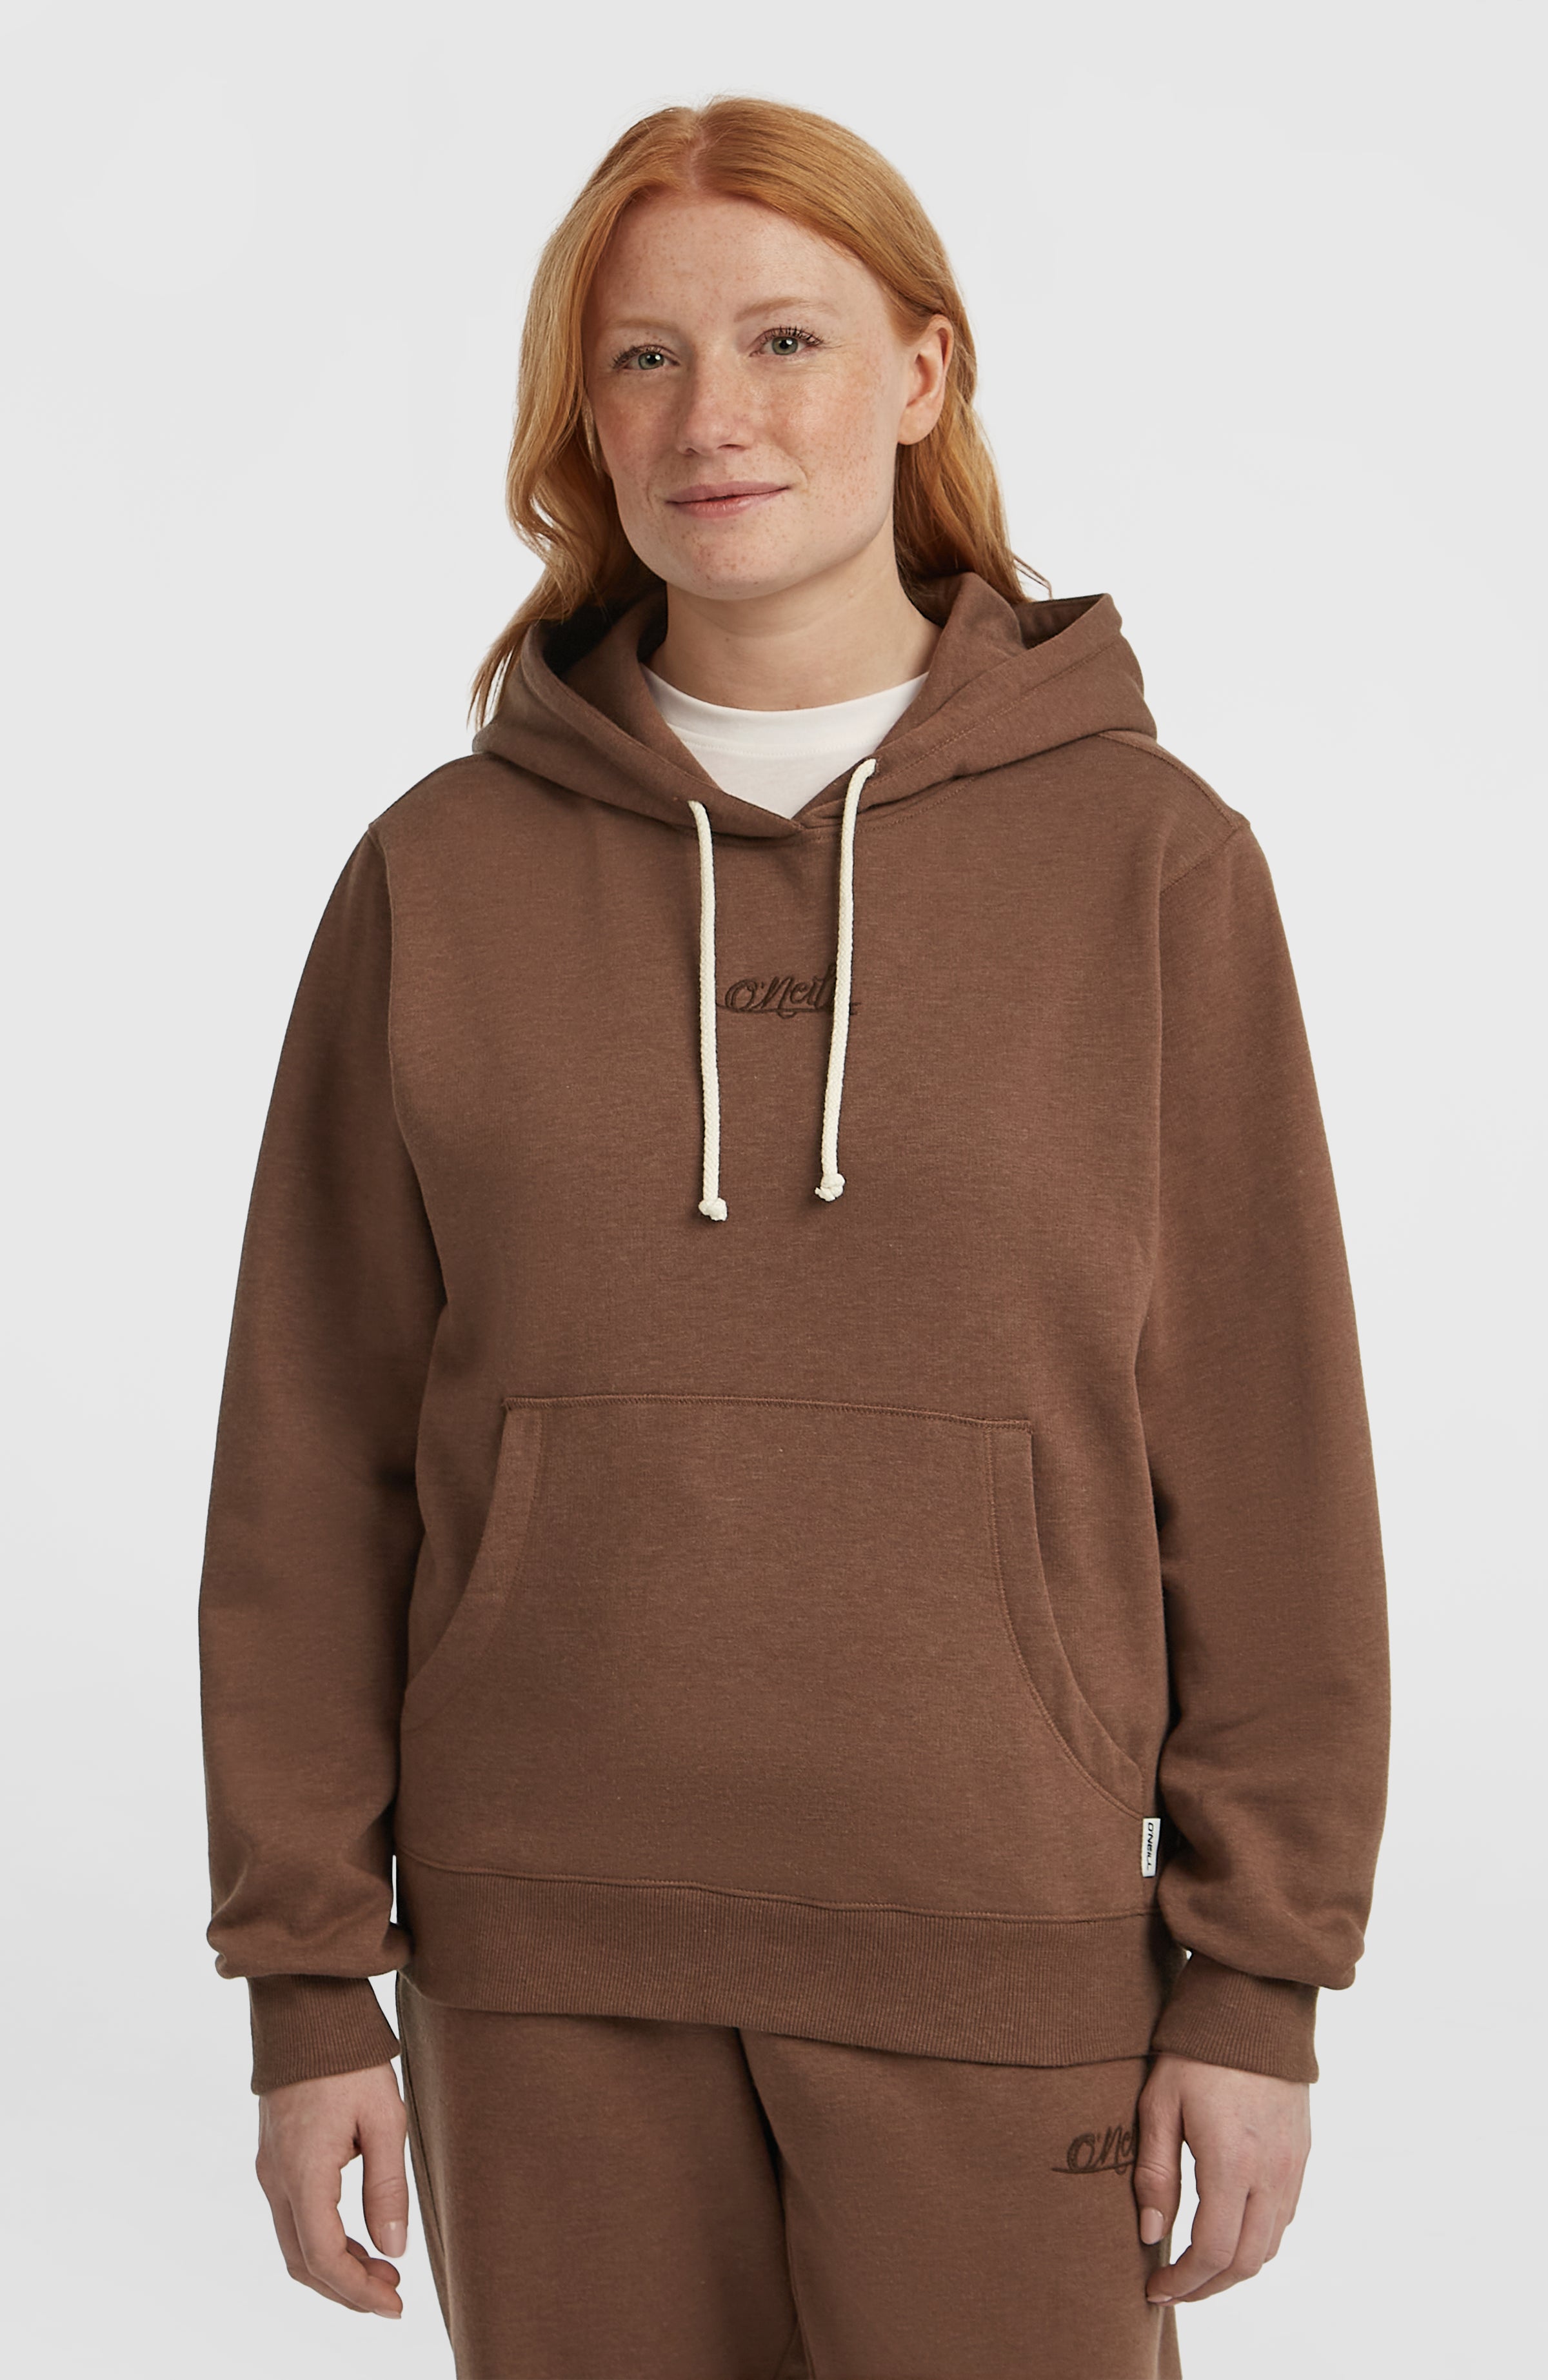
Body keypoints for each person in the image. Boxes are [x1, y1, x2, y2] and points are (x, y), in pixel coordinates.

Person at [197, 95, 1389, 2380]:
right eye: (642, 358)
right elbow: (309, 1460)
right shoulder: (438, 877)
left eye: (783, 340)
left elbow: (1269, 1451)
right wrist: (304, 1977)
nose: (710, 418)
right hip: (540, 1980)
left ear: (923, 373)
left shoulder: (1149, 863)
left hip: (1006, 1960)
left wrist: (1260, 1974)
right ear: (582, 419)